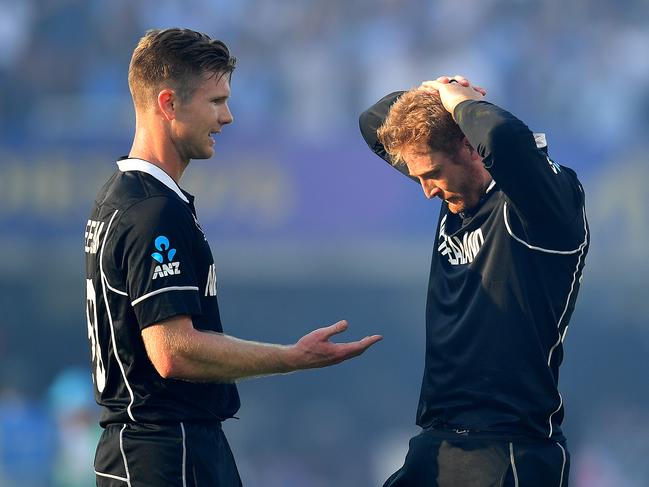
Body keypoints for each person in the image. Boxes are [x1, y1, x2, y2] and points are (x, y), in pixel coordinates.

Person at [84, 28, 382, 487]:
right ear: (168, 103)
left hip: (152, 448)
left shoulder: (123, 197)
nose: (227, 117)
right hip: (166, 452)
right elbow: (172, 351)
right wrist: (293, 357)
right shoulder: (152, 210)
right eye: (216, 101)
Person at [359, 75, 589, 486]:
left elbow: (504, 139)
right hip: (437, 441)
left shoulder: (541, 208)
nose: (425, 190)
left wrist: (458, 100)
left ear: (469, 145)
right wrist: (432, 93)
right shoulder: (454, 187)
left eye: (431, 174)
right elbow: (371, 122)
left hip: (507, 448)